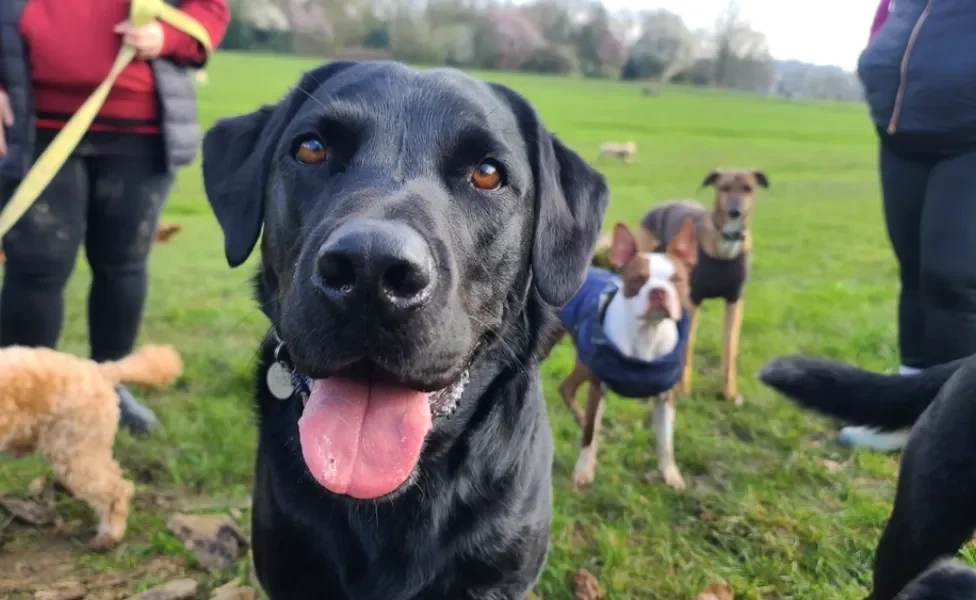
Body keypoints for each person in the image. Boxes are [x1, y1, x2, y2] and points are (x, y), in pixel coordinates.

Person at [0, 0, 229, 433]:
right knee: (35, 269)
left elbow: (209, 10)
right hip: (35, 123)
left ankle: (110, 387)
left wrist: (169, 37)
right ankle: (21, 395)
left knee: (122, 265)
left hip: (138, 130)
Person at [839, 0, 976, 451]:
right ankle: (909, 414)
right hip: (900, 134)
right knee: (913, 272)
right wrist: (876, 57)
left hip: (968, 139)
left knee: (951, 280)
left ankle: (952, 430)